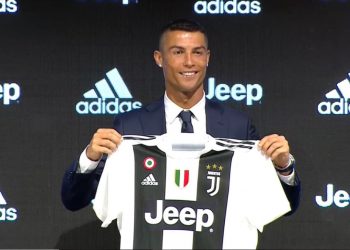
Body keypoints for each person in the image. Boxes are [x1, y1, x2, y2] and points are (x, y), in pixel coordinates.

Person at [61, 18, 300, 217]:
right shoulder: (130, 126)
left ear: (207, 58)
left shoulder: (237, 126)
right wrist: (90, 158)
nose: (189, 62)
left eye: (197, 52)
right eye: (178, 52)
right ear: (159, 58)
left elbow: (283, 207)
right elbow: (74, 200)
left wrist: (283, 167)